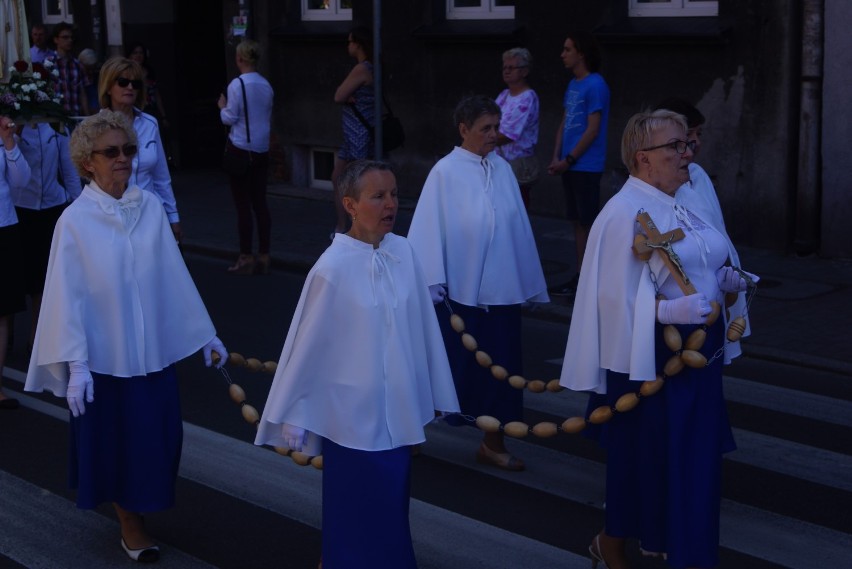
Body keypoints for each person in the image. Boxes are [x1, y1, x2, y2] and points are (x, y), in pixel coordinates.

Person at [24, 110, 228, 563]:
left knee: (159, 440)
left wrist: (204, 335)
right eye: (111, 152)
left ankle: (139, 511)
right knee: (115, 445)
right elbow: (65, 295)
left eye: (129, 150)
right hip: (103, 361)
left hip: (151, 355)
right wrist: (75, 364)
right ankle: (130, 524)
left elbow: (172, 275)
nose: (123, 159)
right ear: (86, 164)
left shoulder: (149, 206)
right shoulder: (74, 222)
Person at [559, 109, 754, 569]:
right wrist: (667, 310)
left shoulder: (680, 201)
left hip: (698, 354)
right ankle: (653, 548)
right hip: (652, 357)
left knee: (693, 465)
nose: (687, 153)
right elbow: (609, 301)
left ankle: (674, 549)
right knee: (657, 464)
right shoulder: (621, 213)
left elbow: (701, 258)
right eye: (676, 146)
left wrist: (724, 280)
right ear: (643, 158)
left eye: (686, 144)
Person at [255, 160, 459, 568]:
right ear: (350, 204)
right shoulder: (331, 268)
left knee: (390, 507)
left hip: (396, 412)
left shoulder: (403, 251)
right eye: (378, 196)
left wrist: (432, 389)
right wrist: (295, 411)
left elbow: (423, 330)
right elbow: (309, 343)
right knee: (355, 508)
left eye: (394, 194)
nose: (391, 204)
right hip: (350, 418)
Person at [407, 94, 549, 471]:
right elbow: (427, 227)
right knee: (443, 366)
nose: (493, 134)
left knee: (502, 369)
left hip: (500, 294)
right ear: (464, 130)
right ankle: (412, 434)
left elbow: (518, 227)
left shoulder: (501, 169)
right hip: (458, 293)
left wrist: (526, 280)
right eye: (485, 128)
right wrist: (431, 279)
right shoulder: (445, 172)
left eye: (496, 127)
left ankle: (492, 442)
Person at [547, 31, 610, 297]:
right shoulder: (574, 84)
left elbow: (592, 129)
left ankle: (593, 281)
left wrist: (570, 159)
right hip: (570, 165)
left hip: (586, 166)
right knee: (576, 223)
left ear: (581, 53)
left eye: (567, 49)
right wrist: (556, 156)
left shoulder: (596, 85)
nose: (562, 54)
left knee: (588, 223)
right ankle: (580, 277)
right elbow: (565, 122)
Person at [12, 121, 81, 352]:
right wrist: (16, 132)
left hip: (53, 207)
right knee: (19, 274)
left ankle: (36, 338)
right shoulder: (14, 125)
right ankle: (8, 332)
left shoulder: (56, 125)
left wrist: (78, 206)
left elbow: (69, 168)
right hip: (21, 208)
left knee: (45, 276)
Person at [99, 56, 181, 242]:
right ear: (108, 87)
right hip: (112, 218)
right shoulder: (96, 127)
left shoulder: (150, 124)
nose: (130, 87)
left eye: (135, 84)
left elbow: (161, 177)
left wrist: (173, 217)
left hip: (150, 216)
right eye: (123, 82)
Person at [217, 39, 274, 275]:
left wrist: (221, 106)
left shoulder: (236, 85)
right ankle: (264, 254)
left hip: (241, 149)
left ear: (240, 59)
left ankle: (245, 256)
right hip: (261, 149)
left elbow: (229, 118)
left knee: (243, 206)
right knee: (260, 203)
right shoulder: (266, 85)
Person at [0, 114, 31, 410]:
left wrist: (10, 143)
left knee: (3, 310)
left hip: (5, 225)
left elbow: (22, 181)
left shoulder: (4, 134)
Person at [330, 25, 374, 235]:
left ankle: (358, 230)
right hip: (353, 134)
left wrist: (346, 96)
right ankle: (341, 226)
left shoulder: (362, 68)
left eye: (349, 41)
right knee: (337, 176)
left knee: (358, 183)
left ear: (358, 44)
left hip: (358, 134)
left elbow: (338, 95)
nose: (348, 45)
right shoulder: (374, 67)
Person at [495, 47, 539, 209]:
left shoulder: (527, 98)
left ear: (524, 71)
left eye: (511, 68)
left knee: (515, 210)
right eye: (504, 67)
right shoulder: (504, 94)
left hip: (518, 165)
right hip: (500, 161)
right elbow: (489, 121)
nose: (506, 71)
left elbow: (509, 134)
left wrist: (479, 138)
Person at [49, 22, 90, 118]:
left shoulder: (78, 65)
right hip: (55, 118)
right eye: (65, 37)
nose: (70, 40)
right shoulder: (48, 64)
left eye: (71, 37)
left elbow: (83, 93)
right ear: (56, 39)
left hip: (75, 116)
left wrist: (87, 116)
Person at [77, 48, 100, 117]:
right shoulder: (77, 78)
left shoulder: (98, 78)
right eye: (88, 69)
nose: (91, 72)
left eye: (93, 68)